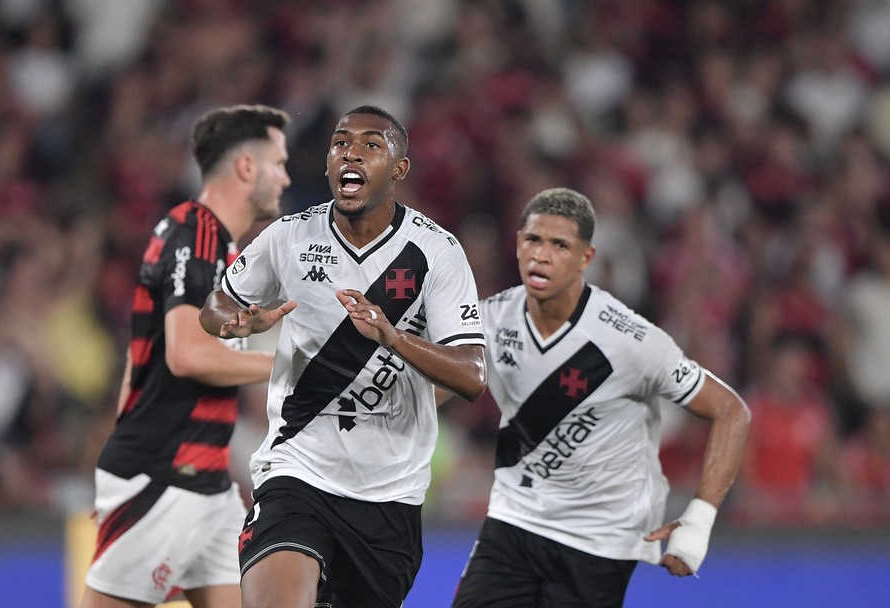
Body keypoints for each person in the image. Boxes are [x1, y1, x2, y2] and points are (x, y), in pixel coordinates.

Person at [199, 104, 488, 608]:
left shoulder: (436, 252)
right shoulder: (290, 237)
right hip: (297, 471)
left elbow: (472, 374)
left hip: (389, 496)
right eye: (340, 143)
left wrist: (394, 338)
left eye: (371, 145)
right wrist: (237, 320)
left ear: (398, 169)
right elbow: (215, 305)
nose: (351, 153)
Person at [451, 188, 751, 608]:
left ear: (585, 258)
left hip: (599, 542)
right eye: (533, 240)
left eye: (560, 245)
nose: (541, 255)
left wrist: (699, 520)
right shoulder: (491, 319)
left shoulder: (632, 340)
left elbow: (730, 410)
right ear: (518, 244)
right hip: (515, 522)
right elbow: (432, 389)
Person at [80, 104, 293, 608]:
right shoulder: (197, 234)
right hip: (164, 475)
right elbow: (187, 357)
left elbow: (138, 362)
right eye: (279, 163)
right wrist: (291, 367)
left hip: (206, 483)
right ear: (247, 167)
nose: (286, 177)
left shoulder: (218, 248)